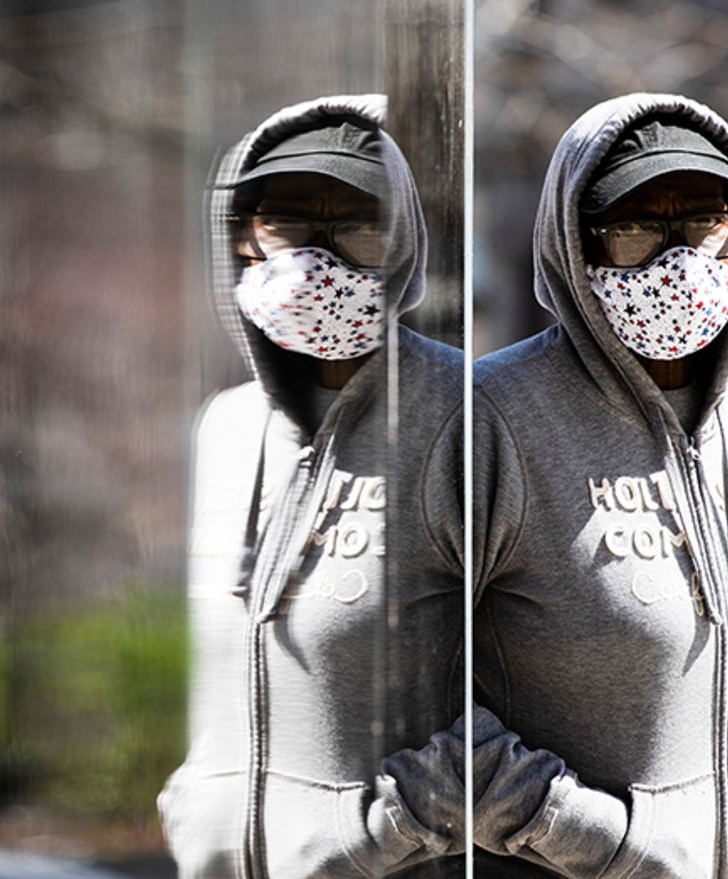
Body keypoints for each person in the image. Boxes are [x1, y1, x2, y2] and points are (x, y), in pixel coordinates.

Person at [466, 93, 728, 877]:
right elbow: (400, 694)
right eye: (637, 229)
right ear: (574, 242)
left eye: (706, 222)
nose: (679, 260)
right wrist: (586, 833)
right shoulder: (488, 419)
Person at [156, 95, 466, 879]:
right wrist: (199, 808)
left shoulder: (465, 414)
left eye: (356, 223)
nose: (318, 256)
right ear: (243, 236)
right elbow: (219, 675)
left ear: (401, 245)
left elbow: (533, 685)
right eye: (290, 221)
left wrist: (372, 839)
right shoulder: (227, 427)